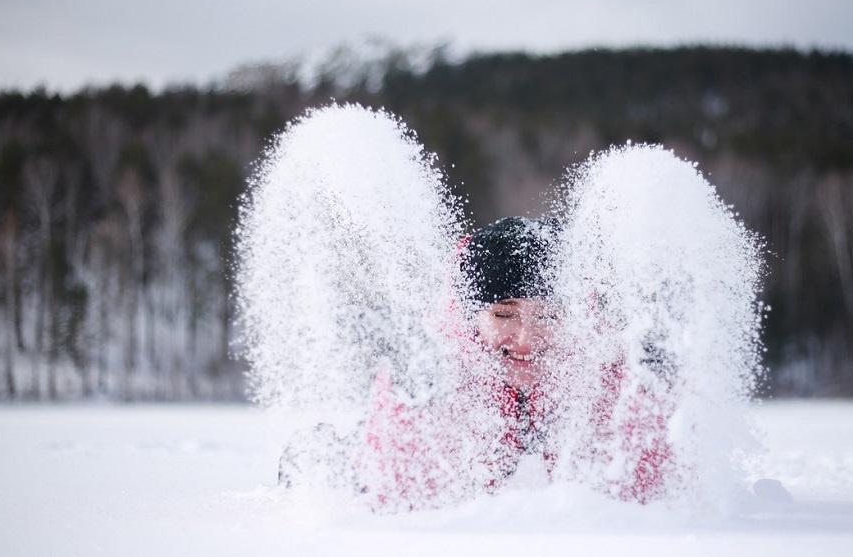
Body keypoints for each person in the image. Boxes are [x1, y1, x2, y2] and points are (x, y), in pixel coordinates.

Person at [279, 216, 678, 509]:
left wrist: (652, 389)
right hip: (375, 451)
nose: (525, 338)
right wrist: (410, 397)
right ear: (471, 318)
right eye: (503, 315)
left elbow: (647, 486)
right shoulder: (444, 363)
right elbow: (400, 494)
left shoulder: (603, 366)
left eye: (549, 316)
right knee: (328, 462)